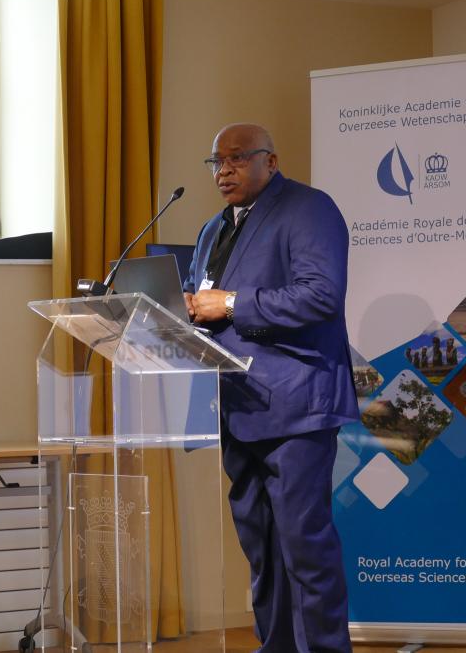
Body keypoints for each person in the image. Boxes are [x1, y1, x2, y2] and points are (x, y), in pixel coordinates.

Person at [183, 123, 358, 653]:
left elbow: (320, 295)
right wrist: (183, 310)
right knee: (260, 545)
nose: (224, 170)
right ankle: (276, 645)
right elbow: (202, 298)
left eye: (237, 158)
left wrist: (232, 303)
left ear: (271, 161)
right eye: (216, 161)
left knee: (304, 544)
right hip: (236, 402)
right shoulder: (213, 228)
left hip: (296, 401)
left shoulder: (309, 209)